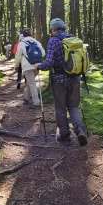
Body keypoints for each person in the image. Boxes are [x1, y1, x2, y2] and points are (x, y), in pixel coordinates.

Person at [36, 18, 88, 146]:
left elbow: (49, 63)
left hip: (59, 80)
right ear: (63, 28)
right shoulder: (73, 39)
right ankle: (80, 129)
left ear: (53, 29)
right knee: (74, 106)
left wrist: (39, 66)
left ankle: (64, 135)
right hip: (75, 78)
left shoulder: (53, 41)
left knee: (60, 108)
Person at [14, 29, 45, 109]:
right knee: (30, 82)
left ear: (23, 36)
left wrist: (16, 65)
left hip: (27, 66)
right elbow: (43, 53)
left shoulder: (22, 43)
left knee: (31, 83)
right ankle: (26, 98)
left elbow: (18, 56)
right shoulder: (37, 42)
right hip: (37, 65)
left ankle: (36, 102)